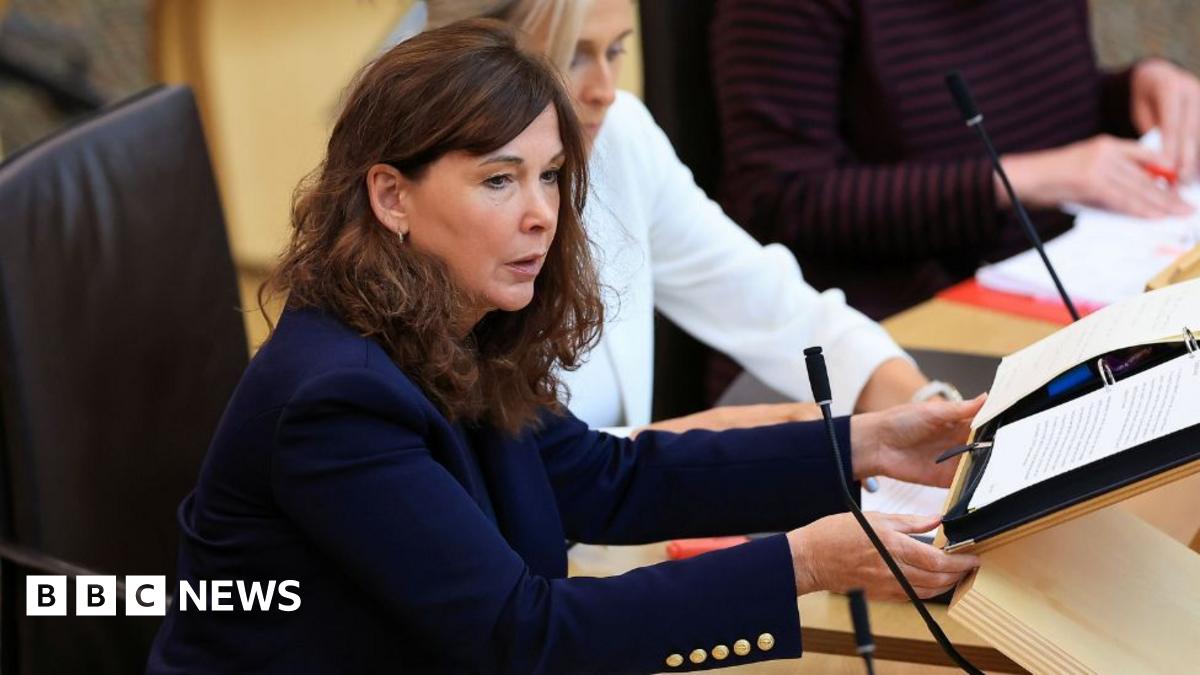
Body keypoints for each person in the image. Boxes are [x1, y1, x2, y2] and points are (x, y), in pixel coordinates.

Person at [146, 21, 980, 673]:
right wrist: (800, 561)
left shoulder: (451, 324)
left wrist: (868, 444)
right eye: (499, 180)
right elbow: (520, 635)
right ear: (391, 195)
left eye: (550, 176)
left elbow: (606, 482)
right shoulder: (336, 401)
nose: (542, 212)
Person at [412, 0, 949, 438]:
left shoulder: (620, 134)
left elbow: (762, 299)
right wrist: (717, 436)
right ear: (481, 59)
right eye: (574, 56)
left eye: (616, 50)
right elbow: (508, 469)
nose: (604, 88)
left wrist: (924, 405)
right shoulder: (437, 195)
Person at [711, 0, 1200, 319]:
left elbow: (1016, 105)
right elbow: (782, 198)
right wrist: (1017, 180)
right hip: (890, 320)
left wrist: (1132, 91)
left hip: (1063, 275)